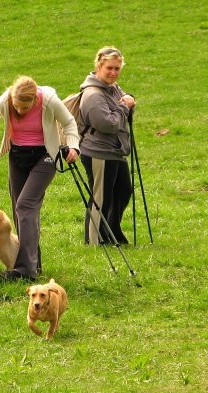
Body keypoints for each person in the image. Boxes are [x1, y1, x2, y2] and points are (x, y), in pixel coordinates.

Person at [0, 75, 80, 281]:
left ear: (35, 100)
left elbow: (69, 122)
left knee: (25, 205)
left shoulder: (49, 100)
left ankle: (25, 270)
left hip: (45, 156)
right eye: (16, 107)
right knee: (19, 208)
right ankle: (35, 264)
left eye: (25, 108)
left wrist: (74, 147)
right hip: (18, 156)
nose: (19, 111)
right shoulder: (6, 100)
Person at [79, 46, 136, 245]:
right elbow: (107, 124)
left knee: (123, 191)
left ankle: (111, 231)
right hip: (98, 152)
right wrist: (124, 106)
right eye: (109, 68)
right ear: (98, 65)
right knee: (100, 197)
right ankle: (94, 241)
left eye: (117, 68)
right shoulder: (93, 94)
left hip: (115, 151)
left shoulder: (113, 88)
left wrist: (129, 101)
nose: (113, 72)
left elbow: (122, 108)